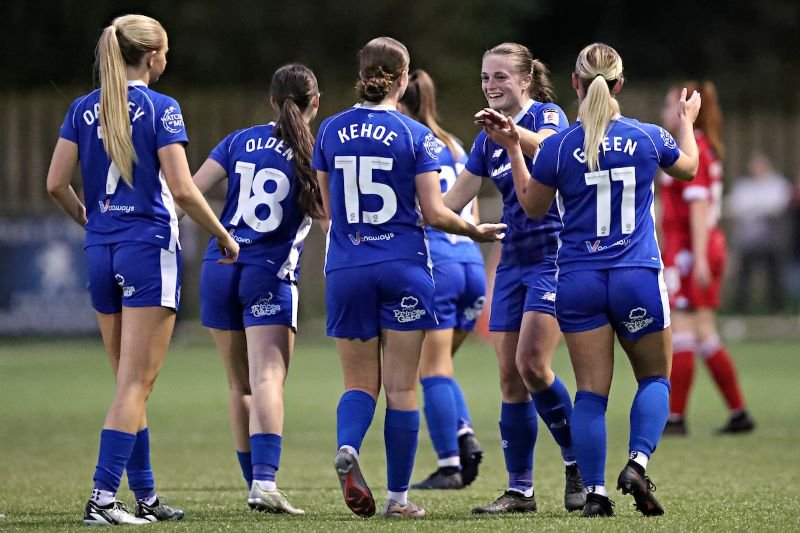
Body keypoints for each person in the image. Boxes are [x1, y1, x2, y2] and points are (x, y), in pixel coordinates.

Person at [482, 42, 701, 517]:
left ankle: (596, 492)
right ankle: (638, 463)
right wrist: (686, 122)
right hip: (636, 275)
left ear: (575, 84)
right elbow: (689, 167)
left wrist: (514, 149)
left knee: (590, 394)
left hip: (578, 281)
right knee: (655, 378)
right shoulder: (646, 137)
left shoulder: (559, 146)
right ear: (619, 84)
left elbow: (531, 203)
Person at [46, 14, 239, 526]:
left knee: (128, 384)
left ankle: (146, 497)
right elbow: (181, 189)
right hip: (147, 249)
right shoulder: (162, 108)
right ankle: (103, 500)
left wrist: (89, 218)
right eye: (166, 51)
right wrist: (222, 234)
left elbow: (55, 183)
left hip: (100, 249)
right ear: (152, 57)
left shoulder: (84, 108)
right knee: (136, 384)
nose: (167, 59)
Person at [312, 37, 505, 519]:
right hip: (404, 268)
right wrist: (474, 230)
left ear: (362, 73)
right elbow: (436, 213)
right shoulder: (418, 136)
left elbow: (326, 209)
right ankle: (398, 498)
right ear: (403, 78)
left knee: (358, 383)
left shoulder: (330, 131)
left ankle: (349, 446)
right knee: (402, 388)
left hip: (347, 267)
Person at [444, 42, 585, 514]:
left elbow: (550, 149)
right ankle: (520, 490)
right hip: (512, 264)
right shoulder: (486, 139)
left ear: (524, 80)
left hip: (555, 258)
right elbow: (451, 201)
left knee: (532, 364)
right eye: (485, 77)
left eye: (500, 76)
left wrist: (512, 134)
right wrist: (417, 208)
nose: (490, 85)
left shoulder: (549, 117)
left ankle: (576, 460)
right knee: (509, 379)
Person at [191, 64, 322, 515]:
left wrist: (225, 236)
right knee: (268, 376)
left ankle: (254, 482)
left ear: (271, 101)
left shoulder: (238, 140)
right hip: (269, 271)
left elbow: (188, 191)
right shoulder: (314, 149)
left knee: (238, 384)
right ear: (315, 103)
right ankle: (265, 482)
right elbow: (330, 217)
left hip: (219, 265)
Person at [396, 69, 487, 491]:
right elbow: (473, 213)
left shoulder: (406, 142)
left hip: (438, 264)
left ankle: (451, 463)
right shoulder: (455, 143)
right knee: (441, 367)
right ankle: (463, 432)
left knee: (429, 369)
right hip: (470, 263)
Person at [659, 82, 755, 436]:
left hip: (690, 250)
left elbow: (698, 207)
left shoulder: (693, 147)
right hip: (696, 248)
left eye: (670, 105)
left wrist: (697, 258)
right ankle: (739, 413)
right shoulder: (700, 146)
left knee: (683, 329)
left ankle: (676, 418)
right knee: (703, 332)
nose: (665, 112)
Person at [727, 152, 792, 312]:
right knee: (744, 277)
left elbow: (778, 206)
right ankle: (741, 309)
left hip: (773, 241)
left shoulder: (778, 183)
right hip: (749, 242)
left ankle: (778, 309)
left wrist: (753, 208)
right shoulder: (743, 186)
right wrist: (762, 207)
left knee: (776, 277)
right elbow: (736, 207)